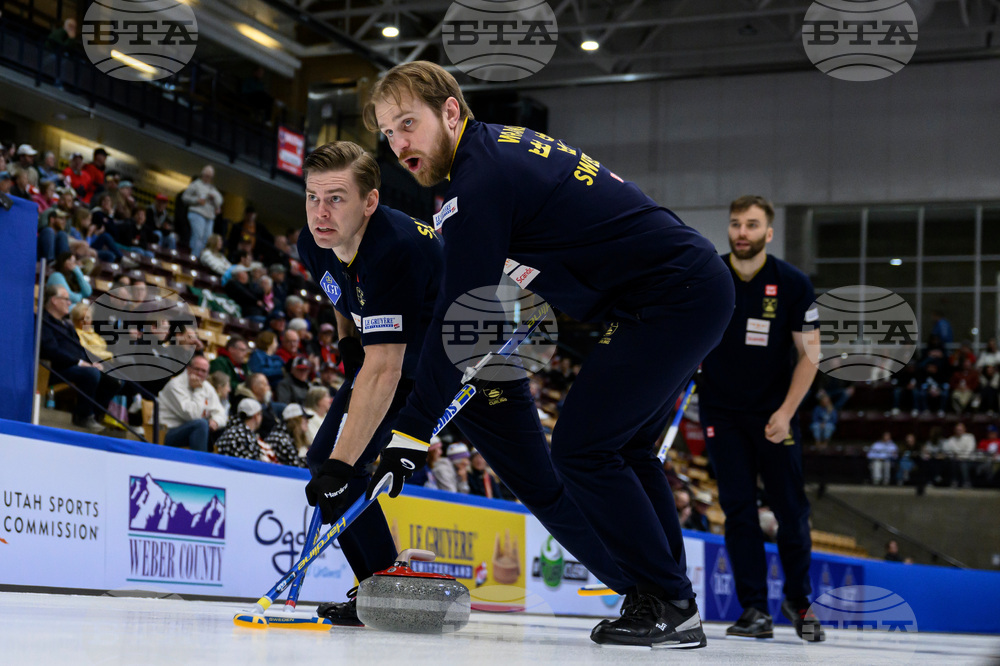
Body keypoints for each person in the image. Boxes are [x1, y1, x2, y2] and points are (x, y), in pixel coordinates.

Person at [356, 63, 734, 648]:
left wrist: (410, 431)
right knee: (625, 447)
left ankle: (668, 599)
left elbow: (462, 317)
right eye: (388, 133)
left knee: (583, 447)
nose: (399, 143)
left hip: (672, 298)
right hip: (678, 293)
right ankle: (663, 597)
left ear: (451, 112)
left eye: (409, 123)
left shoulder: (478, 180)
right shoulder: (488, 159)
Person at [297, 141, 632, 631]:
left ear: (369, 202)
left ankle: (642, 585)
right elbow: (340, 291)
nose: (320, 213)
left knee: (541, 488)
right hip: (406, 361)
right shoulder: (315, 240)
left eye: (336, 198)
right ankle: (381, 591)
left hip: (474, 361)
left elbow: (385, 368)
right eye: (312, 197)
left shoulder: (394, 247)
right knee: (325, 460)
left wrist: (342, 468)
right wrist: (349, 338)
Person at [696, 195, 823, 642]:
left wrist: (787, 413)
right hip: (721, 414)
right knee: (738, 512)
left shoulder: (791, 282)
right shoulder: (708, 273)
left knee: (791, 512)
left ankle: (798, 600)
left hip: (775, 416)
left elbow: (810, 355)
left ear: (768, 232)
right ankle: (754, 609)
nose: (742, 233)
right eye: (735, 224)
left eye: (752, 225)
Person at [39, 285, 121, 431]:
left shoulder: (67, 325)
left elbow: (80, 349)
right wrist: (80, 362)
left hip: (75, 366)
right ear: (54, 301)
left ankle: (96, 416)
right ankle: (83, 416)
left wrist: (95, 362)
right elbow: (50, 350)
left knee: (113, 378)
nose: (69, 303)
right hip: (55, 369)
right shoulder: (44, 321)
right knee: (90, 373)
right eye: (66, 299)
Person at [158, 355, 227, 452]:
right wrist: (198, 390)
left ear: (208, 374)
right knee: (201, 424)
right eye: (197, 369)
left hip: (191, 431)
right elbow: (193, 416)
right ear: (188, 368)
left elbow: (221, 413)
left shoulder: (207, 387)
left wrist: (216, 421)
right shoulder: (176, 385)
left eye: (203, 371)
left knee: (221, 429)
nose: (199, 374)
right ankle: (200, 463)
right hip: (167, 432)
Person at [181, 165, 223, 257]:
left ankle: (201, 258)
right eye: (206, 176)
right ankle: (193, 257)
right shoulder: (196, 184)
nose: (208, 178)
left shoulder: (212, 188)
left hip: (210, 216)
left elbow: (220, 201)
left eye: (210, 177)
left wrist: (214, 199)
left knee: (208, 240)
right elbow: (184, 197)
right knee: (198, 236)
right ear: (202, 175)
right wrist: (197, 200)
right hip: (197, 213)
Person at [943, 422, 976, 487]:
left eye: (960, 430)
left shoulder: (970, 437)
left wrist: (960, 456)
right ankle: (954, 482)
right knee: (952, 462)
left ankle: (966, 482)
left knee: (963, 463)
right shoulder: (951, 439)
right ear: (954, 430)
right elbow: (948, 451)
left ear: (964, 430)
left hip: (969, 460)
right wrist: (956, 456)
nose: (958, 431)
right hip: (955, 460)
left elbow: (970, 450)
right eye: (957, 430)